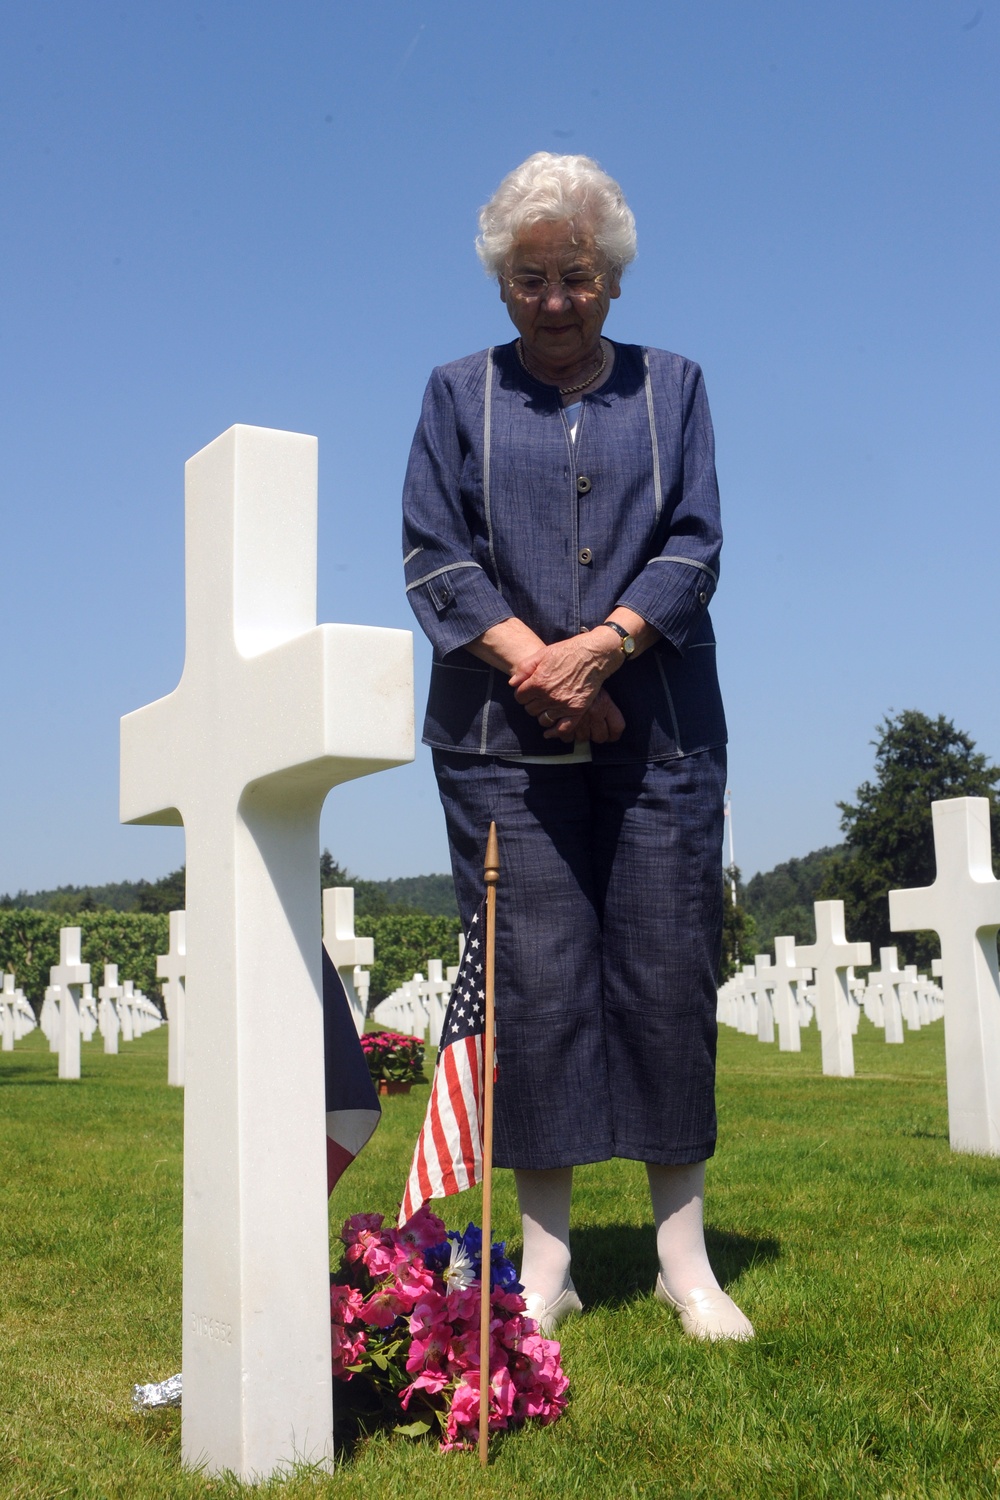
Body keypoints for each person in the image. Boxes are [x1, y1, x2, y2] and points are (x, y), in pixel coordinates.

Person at [402, 153, 752, 1342]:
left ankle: (682, 1258)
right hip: (501, 739)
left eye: (578, 276)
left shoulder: (677, 387)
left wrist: (603, 650)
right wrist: (539, 669)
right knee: (533, 987)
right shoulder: (456, 395)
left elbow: (697, 542)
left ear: (614, 278)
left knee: (665, 973)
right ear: (502, 282)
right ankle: (545, 1261)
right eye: (530, 279)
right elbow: (433, 554)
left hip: (658, 733)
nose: (554, 302)